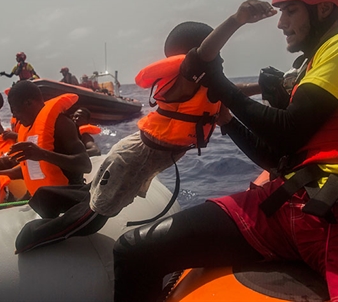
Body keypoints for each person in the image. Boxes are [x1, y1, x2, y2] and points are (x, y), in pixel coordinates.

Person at [112, 0, 338, 301]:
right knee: (134, 251)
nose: (281, 24)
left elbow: (288, 132)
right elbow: (278, 156)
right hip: (290, 205)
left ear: (324, 9)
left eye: (291, 12)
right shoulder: (315, 66)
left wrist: (220, 84)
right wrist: (227, 121)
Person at [13, 21, 223, 254]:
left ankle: (48, 199)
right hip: (132, 159)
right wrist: (238, 19)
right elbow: (204, 55)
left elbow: (230, 93)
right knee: (94, 218)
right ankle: (31, 238)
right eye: (218, 54)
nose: (221, 60)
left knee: (92, 194)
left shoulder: (204, 88)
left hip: (133, 153)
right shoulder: (183, 84)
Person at [0, 80, 92, 197]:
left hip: (69, 198)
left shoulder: (62, 123)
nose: (15, 117)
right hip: (45, 200)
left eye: (16, 111)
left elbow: (85, 165)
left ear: (29, 103)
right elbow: (32, 170)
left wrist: (43, 155)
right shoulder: (27, 129)